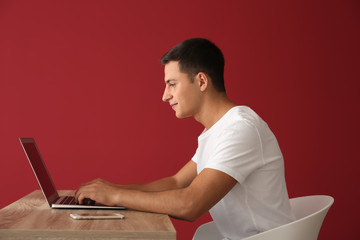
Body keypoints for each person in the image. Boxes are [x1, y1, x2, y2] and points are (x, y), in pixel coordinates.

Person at [75, 38, 294, 239]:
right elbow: (177, 182)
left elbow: (190, 205)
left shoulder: (240, 129)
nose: (165, 95)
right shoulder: (218, 131)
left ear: (201, 82)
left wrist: (115, 196)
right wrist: (108, 190)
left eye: (172, 84)